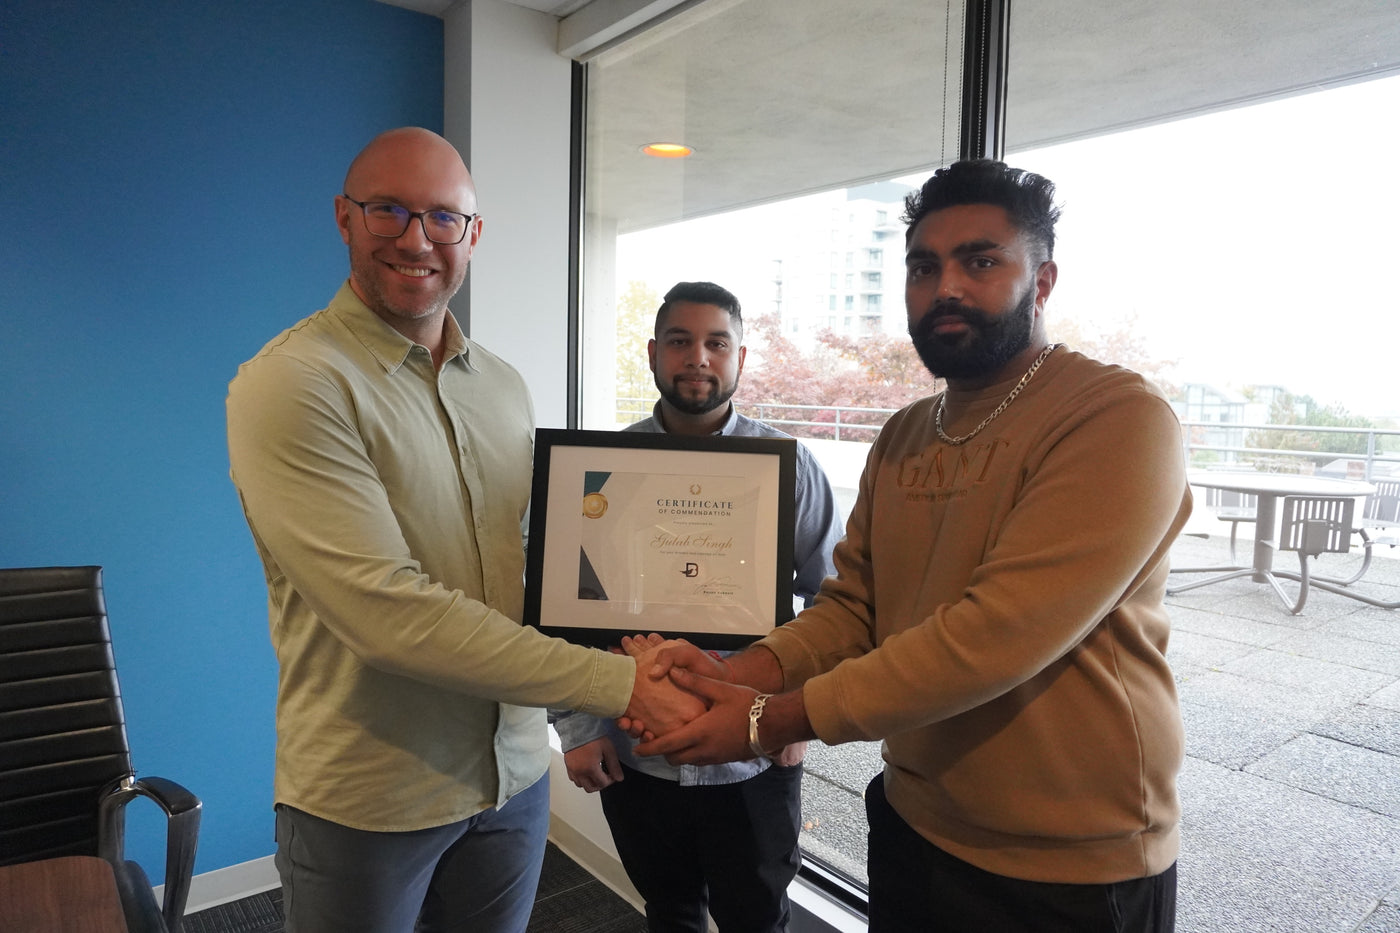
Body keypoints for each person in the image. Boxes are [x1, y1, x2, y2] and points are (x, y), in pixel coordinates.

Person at [628, 160, 1190, 932]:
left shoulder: (1116, 418)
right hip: (914, 820)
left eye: (981, 260)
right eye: (925, 267)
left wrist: (769, 720)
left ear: (1045, 279)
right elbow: (853, 607)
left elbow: (994, 636)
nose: (946, 287)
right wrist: (736, 672)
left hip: (1071, 859)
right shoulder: (904, 434)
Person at [225, 127, 699, 933]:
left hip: (513, 779)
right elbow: (388, 611)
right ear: (345, 217)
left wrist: (635, 629)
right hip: (373, 795)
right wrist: (624, 684)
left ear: (472, 235)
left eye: (443, 217)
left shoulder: (504, 388)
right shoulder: (293, 384)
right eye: (390, 211)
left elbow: (530, 573)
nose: (417, 239)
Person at [555, 281, 843, 933]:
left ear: (740, 357)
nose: (698, 358)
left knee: (757, 916)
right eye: (680, 342)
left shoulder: (790, 470)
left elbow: (835, 602)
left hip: (754, 751)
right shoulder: (601, 473)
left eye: (717, 342)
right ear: (654, 353)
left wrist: (799, 719)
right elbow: (566, 613)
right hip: (635, 752)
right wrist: (576, 728)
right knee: (670, 911)